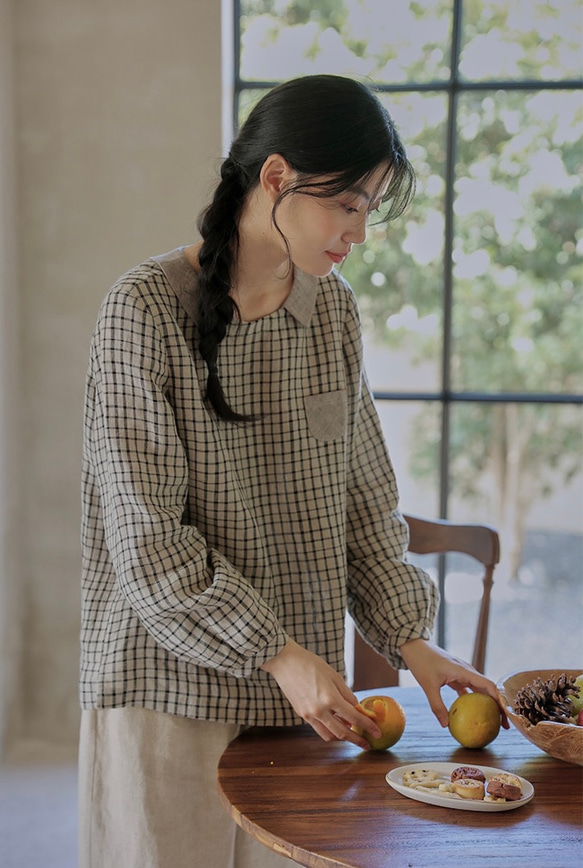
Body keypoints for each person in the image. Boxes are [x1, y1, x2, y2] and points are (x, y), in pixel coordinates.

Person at [78, 74, 506, 868]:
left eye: (368, 209)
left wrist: (411, 641)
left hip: (305, 701)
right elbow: (148, 546)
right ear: (274, 178)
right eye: (346, 204)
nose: (359, 231)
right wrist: (277, 651)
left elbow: (362, 500)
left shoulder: (330, 310)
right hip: (170, 693)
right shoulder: (141, 312)